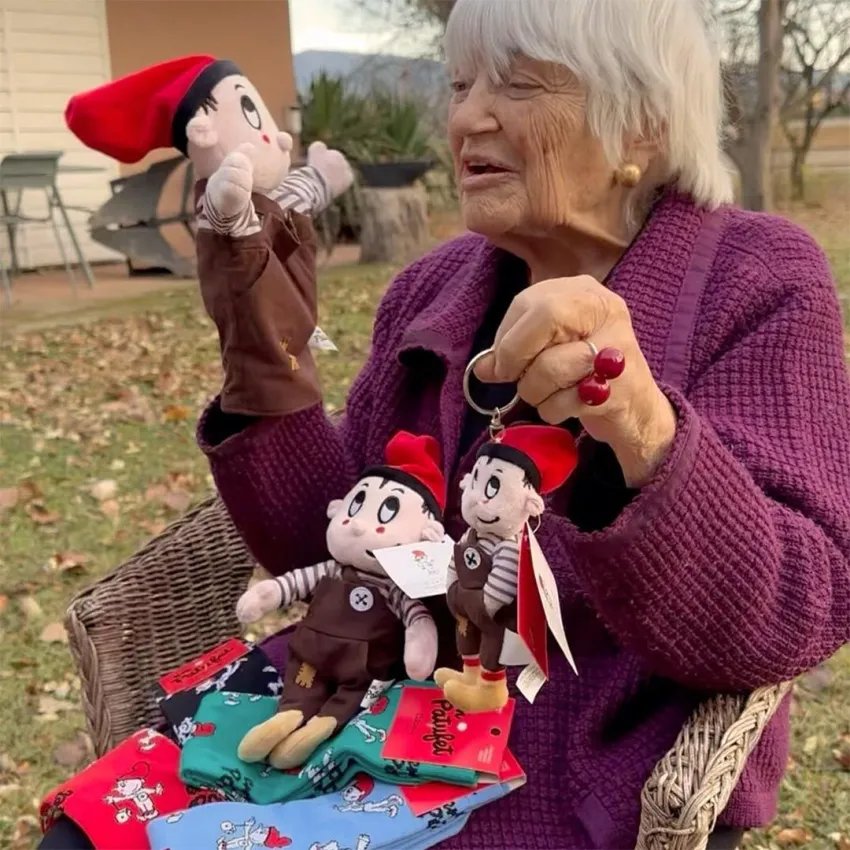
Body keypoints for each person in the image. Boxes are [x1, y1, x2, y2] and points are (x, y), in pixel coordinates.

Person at [196, 1, 850, 847]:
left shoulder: (758, 278)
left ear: (642, 125)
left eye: (522, 83)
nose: (466, 116)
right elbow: (329, 551)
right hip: (367, 722)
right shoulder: (428, 290)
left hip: (566, 772)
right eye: (461, 83)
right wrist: (265, 364)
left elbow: (796, 612)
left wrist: (641, 427)